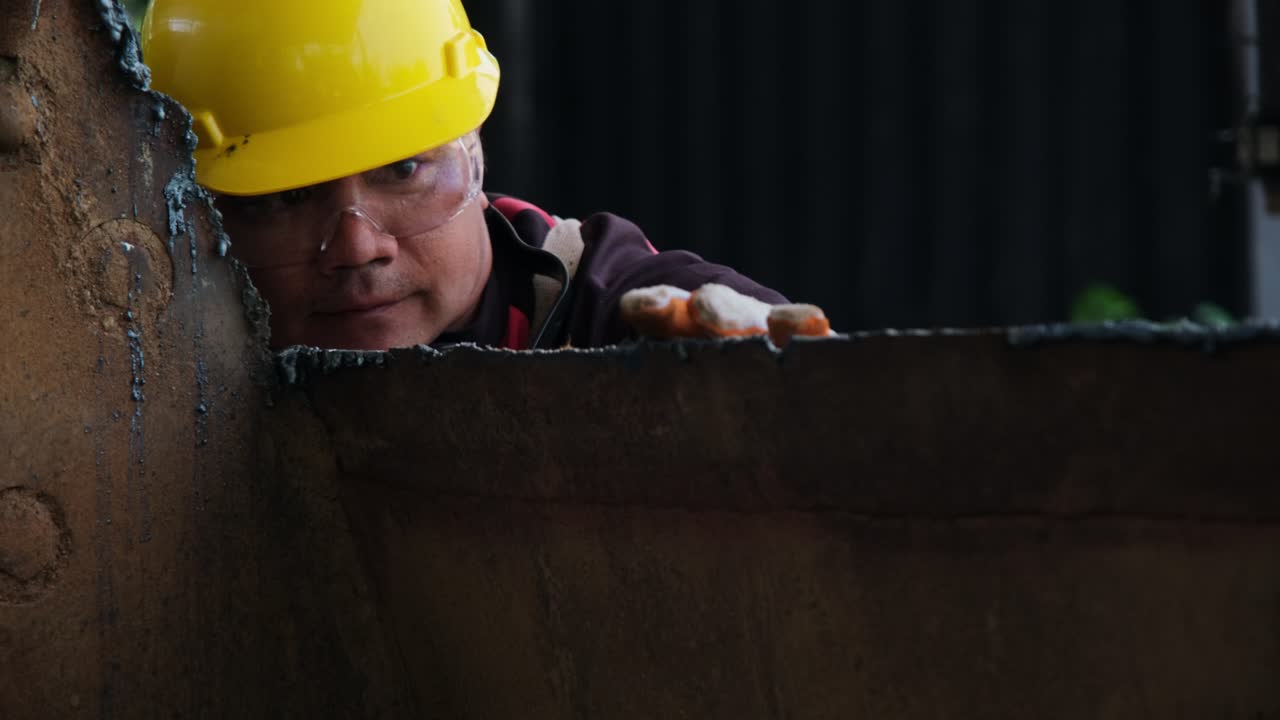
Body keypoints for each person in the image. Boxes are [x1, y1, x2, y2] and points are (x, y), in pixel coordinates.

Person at [141, 0, 829, 351]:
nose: (357, 248)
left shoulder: (595, 300)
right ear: (206, 220)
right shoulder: (155, 361)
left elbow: (699, 310)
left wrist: (776, 374)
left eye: (402, 169)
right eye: (286, 197)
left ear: (474, 158)